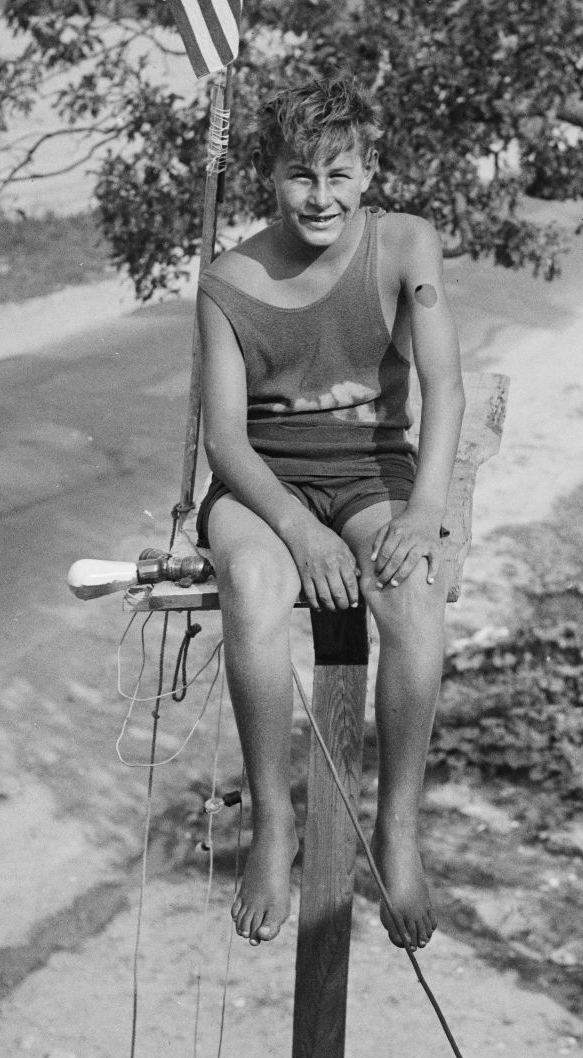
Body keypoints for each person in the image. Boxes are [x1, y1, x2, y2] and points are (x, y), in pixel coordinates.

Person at [195, 78, 465, 951]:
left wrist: (425, 509)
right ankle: (274, 823)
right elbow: (225, 440)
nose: (321, 197)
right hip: (264, 483)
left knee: (412, 591)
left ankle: (398, 831)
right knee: (253, 581)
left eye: (339, 175)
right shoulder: (228, 281)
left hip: (370, 468)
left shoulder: (405, 243)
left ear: (368, 173)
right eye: (300, 175)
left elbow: (444, 385)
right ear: (270, 177)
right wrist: (299, 532)